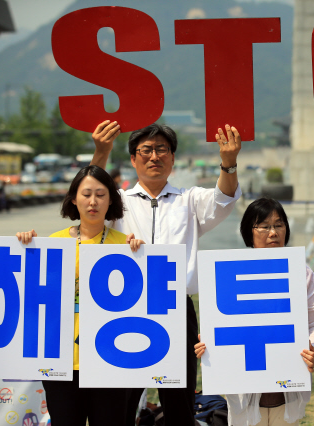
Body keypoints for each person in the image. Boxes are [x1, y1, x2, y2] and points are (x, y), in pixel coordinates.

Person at [90, 120, 242, 423]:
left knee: (179, 399)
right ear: (133, 159)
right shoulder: (117, 202)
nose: (154, 156)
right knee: (122, 397)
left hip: (175, 306)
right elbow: (88, 198)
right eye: (145, 150)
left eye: (162, 149)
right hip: (125, 307)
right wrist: (101, 153)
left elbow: (223, 200)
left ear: (172, 158)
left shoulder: (190, 199)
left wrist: (229, 163)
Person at [16, 165, 145, 426]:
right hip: (62, 360)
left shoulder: (127, 246)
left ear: (111, 200)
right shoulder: (52, 243)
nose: (93, 201)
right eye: (86, 194)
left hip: (110, 360)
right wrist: (24, 247)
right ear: (73, 198)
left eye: (101, 194)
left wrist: (143, 259)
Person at [194, 197, 314, 425]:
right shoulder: (230, 274)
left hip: (287, 394)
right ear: (249, 232)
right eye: (264, 226)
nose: (273, 232)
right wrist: (208, 345)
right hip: (244, 398)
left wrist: (313, 348)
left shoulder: (302, 274)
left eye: (278, 224)